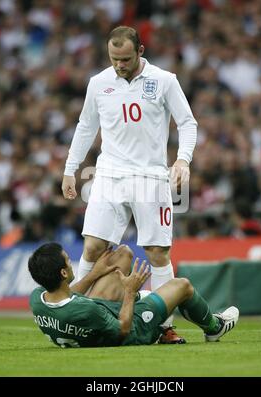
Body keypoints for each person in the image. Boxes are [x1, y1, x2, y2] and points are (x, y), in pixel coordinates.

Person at [61, 26, 198, 343]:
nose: (119, 66)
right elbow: (85, 127)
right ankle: (74, 315)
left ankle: (163, 327)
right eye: (114, 59)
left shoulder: (164, 81)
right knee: (94, 246)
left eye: (125, 59)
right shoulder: (98, 83)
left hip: (150, 176)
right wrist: (70, 169)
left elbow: (187, 122)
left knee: (157, 252)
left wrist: (182, 159)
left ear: (141, 50)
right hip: (108, 174)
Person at [28, 243, 239, 348]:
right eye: (67, 260)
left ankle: (143, 298)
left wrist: (94, 274)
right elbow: (122, 330)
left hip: (98, 315)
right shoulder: (86, 309)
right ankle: (214, 327)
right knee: (182, 286)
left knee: (123, 255)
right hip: (133, 327)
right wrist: (130, 292)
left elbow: (68, 295)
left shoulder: (38, 298)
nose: (69, 261)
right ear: (64, 273)